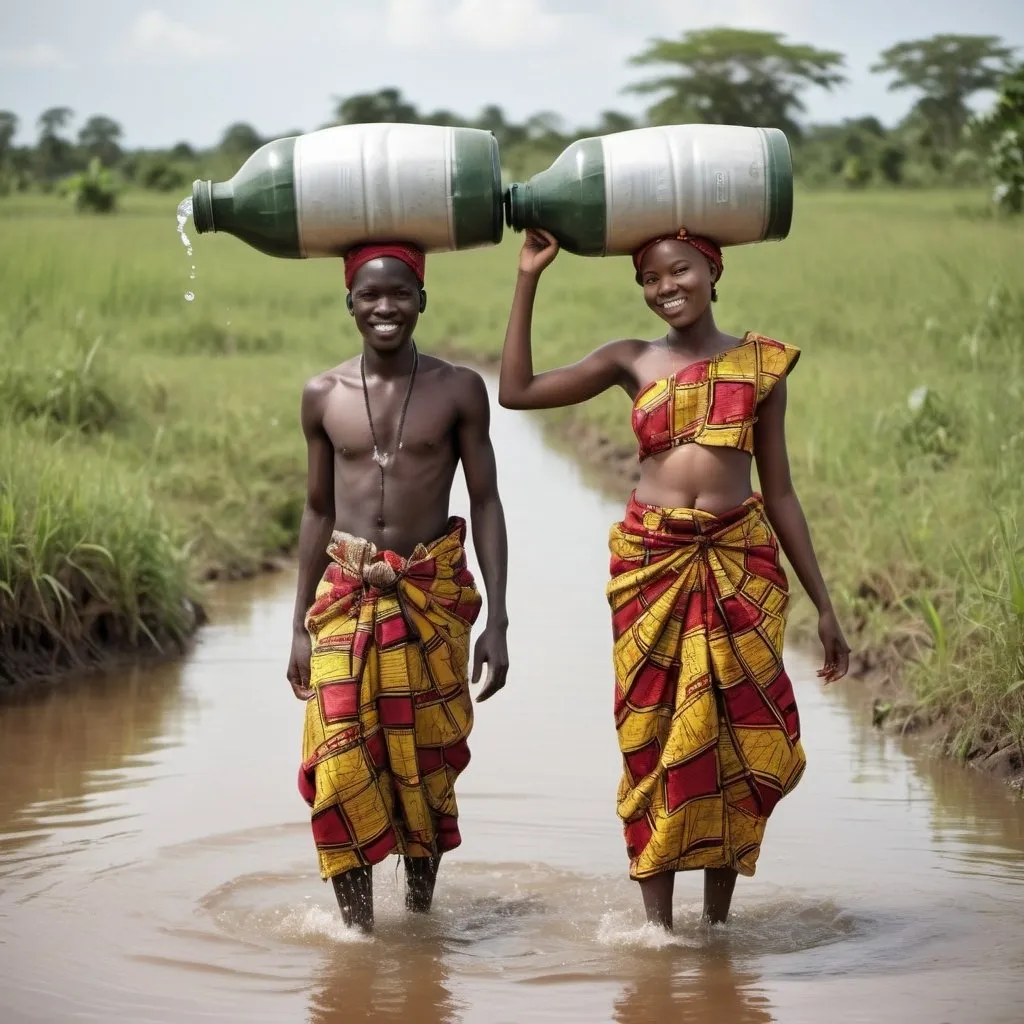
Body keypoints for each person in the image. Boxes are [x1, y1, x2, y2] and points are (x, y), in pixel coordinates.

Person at [498, 227, 850, 931]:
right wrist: (529, 275)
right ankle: (657, 932)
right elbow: (517, 391)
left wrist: (826, 606)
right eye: (650, 280)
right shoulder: (632, 359)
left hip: (737, 564)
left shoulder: (760, 367)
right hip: (652, 566)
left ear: (712, 271)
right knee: (653, 734)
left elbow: (779, 492)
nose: (666, 289)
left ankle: (716, 924)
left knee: (732, 738)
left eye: (679, 272)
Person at [287, 241, 510, 933]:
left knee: (426, 765)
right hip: (346, 597)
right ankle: (356, 933)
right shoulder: (323, 395)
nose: (386, 307)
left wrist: (496, 620)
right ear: (349, 305)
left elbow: (486, 503)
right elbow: (318, 510)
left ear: (422, 300)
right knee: (340, 761)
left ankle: (418, 915)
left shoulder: (459, 389)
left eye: (400, 294)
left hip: (428, 596)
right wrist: (298, 624)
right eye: (370, 296)